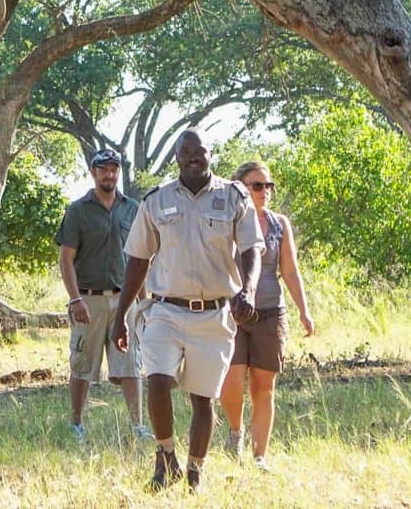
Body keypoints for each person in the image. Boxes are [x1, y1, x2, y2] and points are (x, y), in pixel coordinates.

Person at [113, 131, 261, 492]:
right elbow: (137, 260)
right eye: (186, 152)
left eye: (200, 151)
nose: (194, 157)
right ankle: (165, 459)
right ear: (177, 157)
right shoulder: (156, 200)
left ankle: (195, 471)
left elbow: (250, 250)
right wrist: (121, 316)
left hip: (214, 314)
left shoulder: (233, 197)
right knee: (157, 380)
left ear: (212, 154)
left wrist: (249, 291)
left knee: (202, 398)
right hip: (165, 309)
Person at [218, 159, 314, 470]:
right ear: (241, 188)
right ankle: (235, 431)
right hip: (232, 313)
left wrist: (304, 310)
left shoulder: (279, 224)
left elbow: (289, 270)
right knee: (231, 382)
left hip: (271, 313)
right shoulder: (226, 221)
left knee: (264, 386)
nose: (264, 191)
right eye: (257, 185)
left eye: (268, 186)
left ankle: (260, 456)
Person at [55, 149, 150, 441]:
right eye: (103, 169)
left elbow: (141, 258)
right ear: (93, 172)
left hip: (125, 299)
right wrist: (75, 300)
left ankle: (137, 426)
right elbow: (66, 258)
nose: (109, 174)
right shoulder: (78, 210)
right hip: (89, 300)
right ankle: (76, 424)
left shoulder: (132, 208)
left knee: (131, 364)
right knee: (82, 363)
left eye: (114, 169)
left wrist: (143, 303)